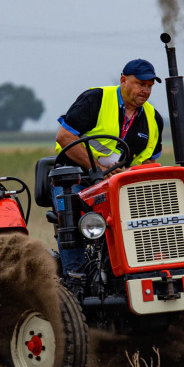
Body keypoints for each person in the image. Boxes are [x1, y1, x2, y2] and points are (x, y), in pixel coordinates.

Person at [52, 59, 166, 275]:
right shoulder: (95, 99)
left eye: (150, 86)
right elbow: (65, 136)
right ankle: (75, 280)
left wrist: (128, 174)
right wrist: (97, 170)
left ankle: (147, 269)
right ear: (123, 80)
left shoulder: (154, 118)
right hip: (77, 180)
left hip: (120, 185)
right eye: (141, 84)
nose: (146, 91)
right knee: (72, 215)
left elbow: (150, 161)